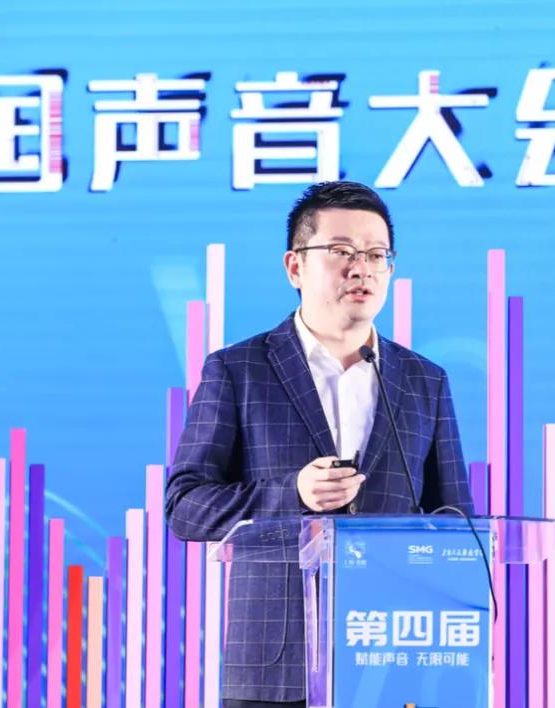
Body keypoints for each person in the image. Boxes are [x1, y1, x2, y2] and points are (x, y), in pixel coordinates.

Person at [165, 180, 473, 707]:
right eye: (341, 251)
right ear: (295, 267)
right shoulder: (238, 370)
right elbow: (185, 507)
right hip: (275, 669)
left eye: (376, 255)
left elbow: (457, 525)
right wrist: (293, 495)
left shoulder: (425, 380)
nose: (362, 268)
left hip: (392, 660)